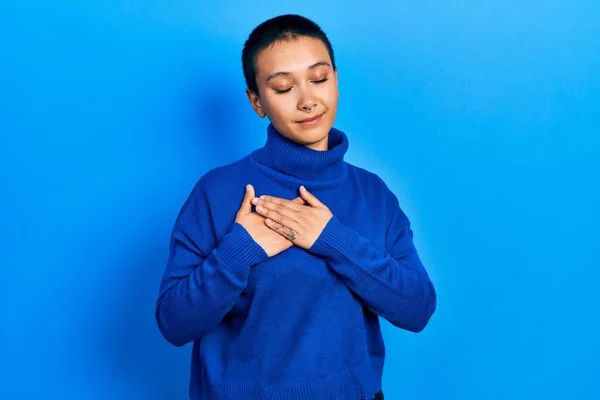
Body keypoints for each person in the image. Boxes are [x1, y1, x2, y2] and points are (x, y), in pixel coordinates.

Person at [155, 14, 437, 400]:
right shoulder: (218, 192)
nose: (308, 101)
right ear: (257, 101)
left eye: (319, 79)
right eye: (284, 87)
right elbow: (174, 323)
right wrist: (239, 251)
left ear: (336, 82)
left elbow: (417, 309)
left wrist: (333, 239)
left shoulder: (374, 194)